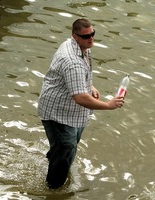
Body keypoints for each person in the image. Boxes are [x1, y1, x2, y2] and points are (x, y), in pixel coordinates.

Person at [37, 18, 125, 189]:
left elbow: (77, 77)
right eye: (86, 37)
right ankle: (53, 188)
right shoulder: (72, 61)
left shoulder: (79, 47)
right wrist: (109, 105)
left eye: (93, 34)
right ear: (75, 37)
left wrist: (89, 85)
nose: (91, 39)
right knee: (67, 147)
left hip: (73, 111)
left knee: (67, 147)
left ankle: (53, 161)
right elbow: (80, 98)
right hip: (58, 112)